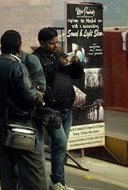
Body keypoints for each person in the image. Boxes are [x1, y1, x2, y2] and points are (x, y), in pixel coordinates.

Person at [0, 30, 46, 190]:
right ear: (19, 46)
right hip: (21, 126)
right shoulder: (18, 67)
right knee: (36, 178)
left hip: (0, 124)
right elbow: (31, 97)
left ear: (1, 47)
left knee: (7, 174)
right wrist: (38, 94)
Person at [32, 27, 84, 190]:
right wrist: (56, 65)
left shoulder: (61, 56)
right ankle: (55, 180)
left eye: (56, 42)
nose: (55, 45)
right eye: (51, 43)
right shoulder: (36, 59)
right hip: (50, 109)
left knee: (61, 145)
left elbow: (76, 76)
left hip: (66, 107)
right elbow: (40, 80)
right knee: (60, 142)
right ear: (42, 43)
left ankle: (58, 181)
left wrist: (75, 64)